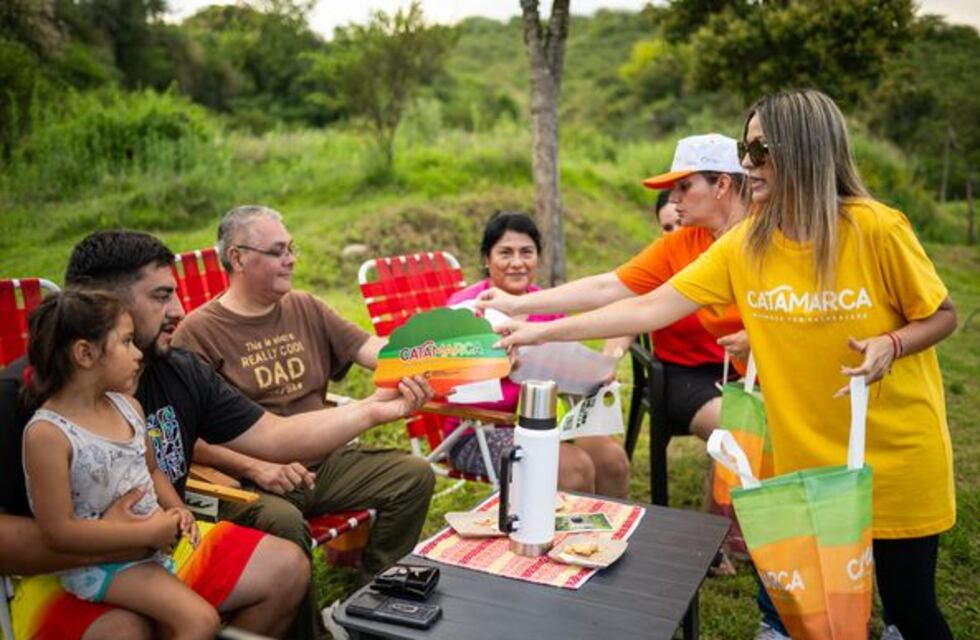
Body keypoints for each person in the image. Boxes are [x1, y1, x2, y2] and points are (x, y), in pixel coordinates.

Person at [492, 89, 956, 640]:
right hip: (800, 458)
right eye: (743, 149)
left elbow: (942, 315)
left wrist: (892, 344)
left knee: (910, 611)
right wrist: (530, 326)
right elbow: (645, 306)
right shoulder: (745, 246)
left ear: (804, 148)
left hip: (896, 454)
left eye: (759, 151)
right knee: (811, 614)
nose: (747, 164)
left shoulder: (875, 228)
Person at [0, 229, 433, 640]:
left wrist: (373, 410)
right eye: (161, 296)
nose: (179, 310)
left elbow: (276, 435)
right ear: (102, 306)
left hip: (160, 545)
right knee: (126, 629)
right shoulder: (20, 398)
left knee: (285, 570)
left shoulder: (174, 371)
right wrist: (115, 541)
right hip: (57, 573)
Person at [170, 205, 435, 572]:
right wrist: (256, 466)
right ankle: (301, 608)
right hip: (253, 478)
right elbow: (187, 436)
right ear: (239, 258)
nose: (291, 260)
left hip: (324, 463)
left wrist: (439, 355)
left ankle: (378, 584)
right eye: (277, 251)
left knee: (414, 475)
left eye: (291, 248)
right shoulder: (198, 333)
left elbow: (373, 349)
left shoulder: (304, 306)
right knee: (284, 523)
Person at [22, 290, 218, 640]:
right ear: (85, 354)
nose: (138, 352)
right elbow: (58, 531)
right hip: (104, 564)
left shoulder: (128, 406)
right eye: (127, 342)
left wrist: (177, 508)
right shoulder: (48, 435)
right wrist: (146, 534)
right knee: (200, 622)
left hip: (153, 546)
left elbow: (152, 470)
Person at [444, 212, 631, 498]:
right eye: (505, 253)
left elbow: (565, 368)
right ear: (487, 259)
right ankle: (569, 529)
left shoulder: (547, 306)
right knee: (574, 467)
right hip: (477, 431)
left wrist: (592, 375)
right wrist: (495, 367)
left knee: (612, 460)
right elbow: (446, 380)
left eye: (526, 252)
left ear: (537, 258)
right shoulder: (466, 309)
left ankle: (608, 527)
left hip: (545, 425)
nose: (517, 262)